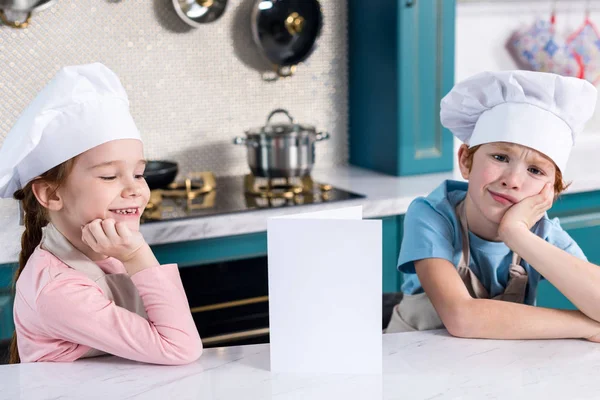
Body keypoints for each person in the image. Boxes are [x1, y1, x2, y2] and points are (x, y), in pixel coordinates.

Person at [1, 63, 203, 364]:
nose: (134, 189)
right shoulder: (58, 289)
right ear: (51, 194)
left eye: (138, 173)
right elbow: (179, 348)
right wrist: (137, 256)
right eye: (109, 176)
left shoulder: (106, 249)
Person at [385, 70, 600, 342]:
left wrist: (517, 234)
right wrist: (589, 326)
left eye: (535, 170)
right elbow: (461, 317)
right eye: (500, 157)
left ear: (551, 191)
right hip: (411, 363)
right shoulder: (432, 215)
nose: (512, 180)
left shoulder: (542, 233)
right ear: (466, 161)